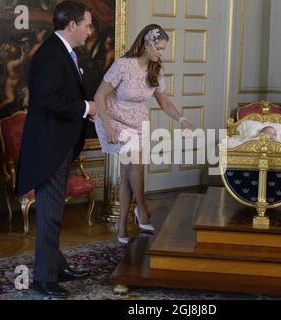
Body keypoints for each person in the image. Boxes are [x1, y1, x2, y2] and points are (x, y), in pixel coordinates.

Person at [16, 1, 97, 298]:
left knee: (54, 212)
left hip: (58, 145)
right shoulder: (51, 54)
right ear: (72, 25)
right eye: (87, 25)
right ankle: (45, 280)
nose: (90, 31)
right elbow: (47, 99)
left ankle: (55, 265)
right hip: (49, 149)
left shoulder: (62, 51)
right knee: (50, 214)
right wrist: (86, 107)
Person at [94, 24, 195, 244]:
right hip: (114, 118)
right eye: (159, 48)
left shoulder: (156, 70)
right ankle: (142, 209)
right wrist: (109, 126)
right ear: (146, 43)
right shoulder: (122, 65)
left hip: (138, 122)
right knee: (136, 163)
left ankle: (122, 227)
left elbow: (164, 101)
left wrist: (182, 119)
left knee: (128, 173)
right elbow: (99, 96)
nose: (161, 53)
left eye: (163, 49)